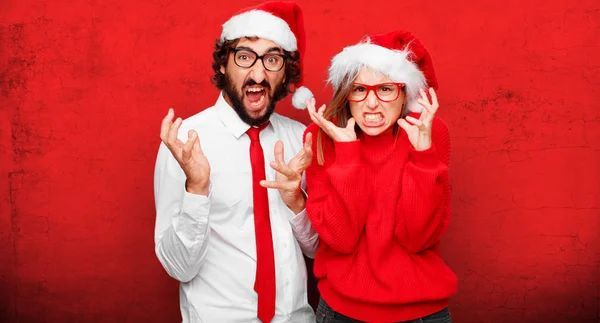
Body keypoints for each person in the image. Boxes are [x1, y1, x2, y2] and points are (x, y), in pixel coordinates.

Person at [153, 2, 319, 322]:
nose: (258, 73)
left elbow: (316, 251)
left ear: (285, 72)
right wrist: (196, 188)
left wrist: (298, 202)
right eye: (244, 57)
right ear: (222, 66)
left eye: (272, 59)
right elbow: (178, 267)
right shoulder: (186, 140)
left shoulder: (300, 139)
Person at [303, 30, 457, 323]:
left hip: (422, 314)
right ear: (346, 95)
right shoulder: (321, 137)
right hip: (341, 313)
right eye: (359, 89)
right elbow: (342, 239)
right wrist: (348, 153)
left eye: (385, 89)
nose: (371, 103)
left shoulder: (428, 132)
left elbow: (418, 238)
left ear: (405, 95)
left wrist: (423, 155)